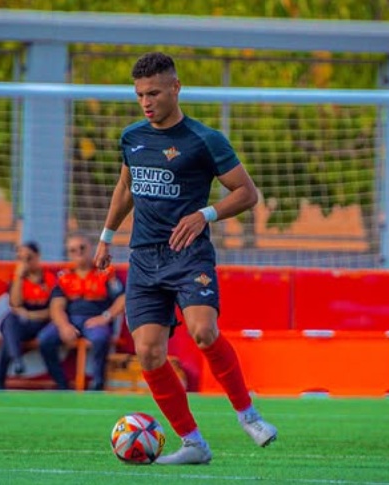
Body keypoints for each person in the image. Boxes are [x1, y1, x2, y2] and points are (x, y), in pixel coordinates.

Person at [93, 52, 278, 465]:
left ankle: (247, 415)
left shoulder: (204, 139)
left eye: (154, 92)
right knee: (149, 353)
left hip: (187, 253)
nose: (146, 101)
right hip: (143, 258)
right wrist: (106, 238)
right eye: (140, 94)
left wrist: (204, 214)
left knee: (203, 331)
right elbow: (125, 188)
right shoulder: (132, 137)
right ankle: (193, 443)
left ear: (176, 88)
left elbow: (247, 193)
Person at [40, 233, 125, 391]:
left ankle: (97, 383)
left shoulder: (105, 271)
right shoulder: (64, 276)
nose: (78, 252)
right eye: (73, 250)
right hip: (71, 319)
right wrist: (64, 326)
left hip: (95, 320)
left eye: (82, 248)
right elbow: (56, 306)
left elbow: (123, 298)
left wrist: (105, 317)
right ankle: (61, 384)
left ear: (91, 249)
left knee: (100, 339)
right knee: (45, 339)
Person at [0, 241, 56, 389]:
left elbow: (54, 311)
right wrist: (19, 277)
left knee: (9, 335)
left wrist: (30, 315)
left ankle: (1, 378)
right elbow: (15, 304)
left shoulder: (49, 279)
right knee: (9, 323)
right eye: (20, 259)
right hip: (22, 324)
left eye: (28, 258)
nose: (24, 263)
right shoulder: (17, 279)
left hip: (42, 322)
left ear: (37, 257)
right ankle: (16, 361)